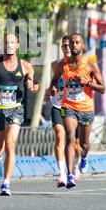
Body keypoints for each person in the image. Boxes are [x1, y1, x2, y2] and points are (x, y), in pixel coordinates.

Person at [0, 33, 39, 196]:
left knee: (10, 144)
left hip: (15, 109)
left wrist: (33, 85)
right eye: (6, 42)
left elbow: (34, 84)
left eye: (12, 42)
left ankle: (6, 183)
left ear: (18, 45)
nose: (9, 45)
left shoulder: (26, 66)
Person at [49, 33, 105, 188]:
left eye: (77, 43)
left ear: (82, 46)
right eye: (71, 43)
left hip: (86, 109)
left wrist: (88, 83)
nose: (74, 45)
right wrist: (52, 86)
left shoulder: (90, 65)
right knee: (69, 137)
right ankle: (70, 175)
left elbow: (103, 88)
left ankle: (84, 157)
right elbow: (55, 78)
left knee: (85, 144)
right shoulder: (63, 65)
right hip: (69, 107)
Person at [45, 35, 82, 188]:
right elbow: (53, 82)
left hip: (74, 107)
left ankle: (77, 165)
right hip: (58, 105)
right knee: (60, 137)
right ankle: (62, 174)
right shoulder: (55, 65)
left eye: (69, 45)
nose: (67, 48)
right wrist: (51, 89)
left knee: (75, 143)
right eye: (64, 46)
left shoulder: (80, 65)